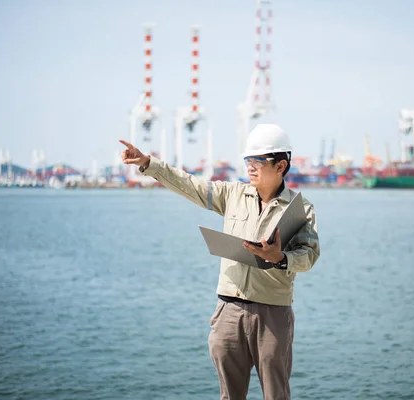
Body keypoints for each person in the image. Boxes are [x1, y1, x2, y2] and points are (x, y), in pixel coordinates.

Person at [119, 123, 320, 400]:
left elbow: (309, 255)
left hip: (273, 314)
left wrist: (281, 258)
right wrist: (149, 163)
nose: (250, 167)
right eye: (248, 160)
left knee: (276, 395)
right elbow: (190, 185)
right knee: (229, 396)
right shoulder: (232, 195)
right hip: (229, 310)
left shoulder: (302, 209)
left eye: (258, 161)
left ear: (281, 165)